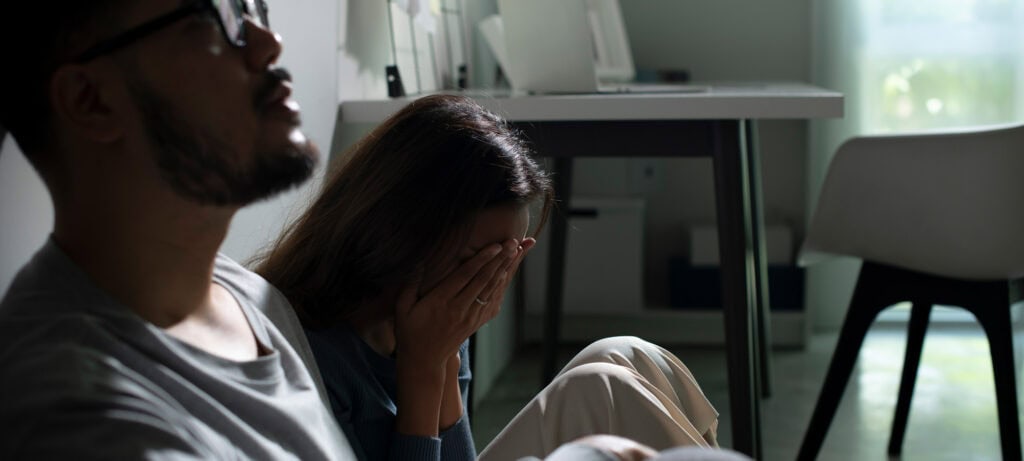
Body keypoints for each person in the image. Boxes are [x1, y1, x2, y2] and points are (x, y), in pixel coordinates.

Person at [0, 1, 380, 458]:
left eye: (253, 7)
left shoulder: (250, 298)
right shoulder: (84, 424)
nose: (269, 43)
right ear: (91, 101)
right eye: (216, 14)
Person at [255, 95, 728, 461]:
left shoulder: (441, 308)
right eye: (477, 259)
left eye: (508, 257)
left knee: (624, 354)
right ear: (400, 232)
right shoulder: (309, 352)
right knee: (607, 385)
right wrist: (423, 368)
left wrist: (441, 361)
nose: (490, 280)